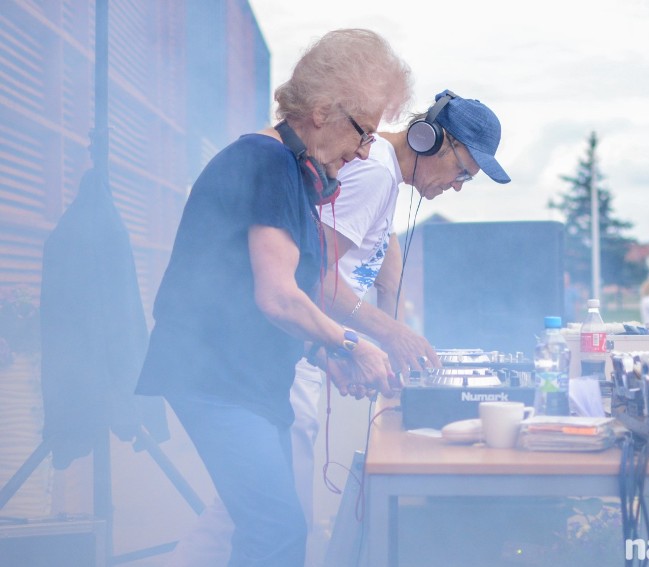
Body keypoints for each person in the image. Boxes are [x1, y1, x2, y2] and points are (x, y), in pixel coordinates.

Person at [166, 88, 511, 566]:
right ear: (433, 140)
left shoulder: (383, 176)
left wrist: (363, 327)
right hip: (284, 354)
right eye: (462, 172)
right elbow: (314, 280)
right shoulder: (375, 174)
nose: (457, 186)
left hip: (304, 349)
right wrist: (387, 337)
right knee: (275, 523)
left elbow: (354, 259)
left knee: (259, 518)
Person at [135, 28, 412, 566]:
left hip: (244, 378)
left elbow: (246, 293)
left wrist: (323, 353)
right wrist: (352, 342)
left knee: (274, 529)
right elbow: (278, 298)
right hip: (214, 381)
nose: (363, 152)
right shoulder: (264, 163)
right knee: (277, 531)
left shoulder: (289, 171)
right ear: (323, 110)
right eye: (362, 133)